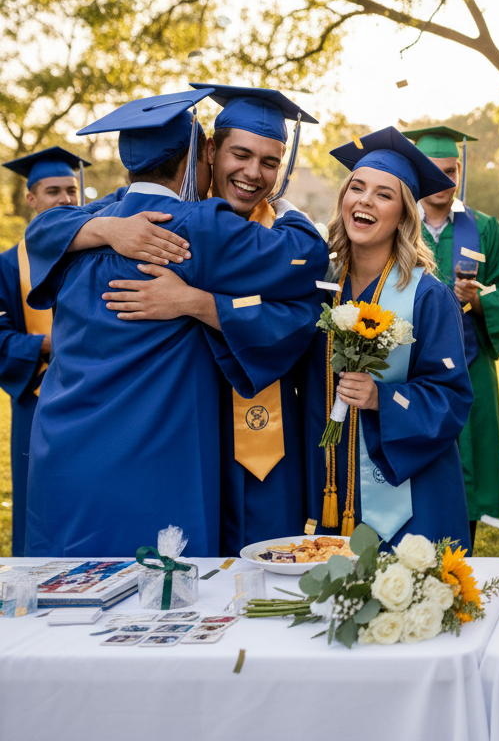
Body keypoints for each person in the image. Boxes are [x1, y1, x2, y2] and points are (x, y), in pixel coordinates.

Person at [22, 90, 326, 557]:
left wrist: (197, 302)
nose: (253, 173)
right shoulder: (197, 226)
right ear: (204, 154)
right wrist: (292, 211)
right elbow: (305, 256)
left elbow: (42, 229)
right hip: (167, 440)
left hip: (70, 440)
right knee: (169, 578)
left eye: (270, 161)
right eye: (239, 154)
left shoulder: (104, 216)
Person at [304, 127, 473, 549]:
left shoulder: (428, 296)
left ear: (404, 215)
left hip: (408, 492)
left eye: (384, 194)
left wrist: (383, 398)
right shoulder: (319, 286)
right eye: (356, 188)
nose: (365, 200)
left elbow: (451, 399)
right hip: (328, 477)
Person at [401, 124, 499, 546]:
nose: (444, 181)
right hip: (408, 365)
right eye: (434, 171)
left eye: (451, 171)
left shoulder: (484, 227)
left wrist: (479, 298)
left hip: (471, 363)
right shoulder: (399, 221)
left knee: (470, 460)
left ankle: (463, 546)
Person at [0, 147, 89, 555]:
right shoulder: (7, 265)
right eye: (53, 191)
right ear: (31, 198)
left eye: (72, 190)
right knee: (40, 504)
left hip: (94, 396)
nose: (66, 200)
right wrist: (47, 345)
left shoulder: (94, 254)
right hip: (36, 399)